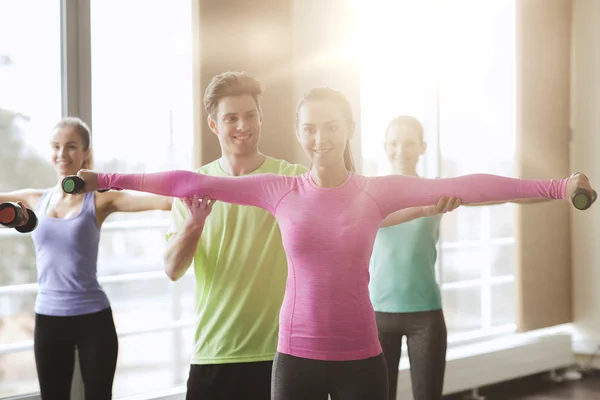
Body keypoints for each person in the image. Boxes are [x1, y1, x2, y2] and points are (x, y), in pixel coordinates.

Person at [66, 88, 595, 400]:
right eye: (311, 129)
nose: (322, 138)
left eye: (333, 127)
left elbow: (475, 187)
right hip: (293, 357)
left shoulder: (374, 192)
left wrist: (556, 187)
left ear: (349, 129)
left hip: (362, 356)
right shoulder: (279, 189)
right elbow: (189, 182)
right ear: (299, 132)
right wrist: (104, 178)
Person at [162, 71, 456, 400]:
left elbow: (361, 215)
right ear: (214, 124)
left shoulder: (294, 181)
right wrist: (194, 222)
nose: (242, 126)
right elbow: (173, 269)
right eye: (231, 118)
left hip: (281, 349)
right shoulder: (197, 190)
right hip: (214, 351)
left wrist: (424, 208)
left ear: (261, 118)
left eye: (249, 116)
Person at [370, 115, 550, 400]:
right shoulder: (371, 192)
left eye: (408, 143)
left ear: (423, 147)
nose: (400, 150)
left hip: (425, 316)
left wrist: (558, 189)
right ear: (384, 146)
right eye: (394, 143)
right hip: (377, 315)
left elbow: (499, 194)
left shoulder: (436, 191)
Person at [0, 117, 172, 400]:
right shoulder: (34, 199)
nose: (62, 154)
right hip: (49, 318)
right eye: (56, 146)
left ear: (85, 153)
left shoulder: (100, 200)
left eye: (71, 146)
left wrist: (193, 192)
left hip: (93, 319)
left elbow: (163, 201)